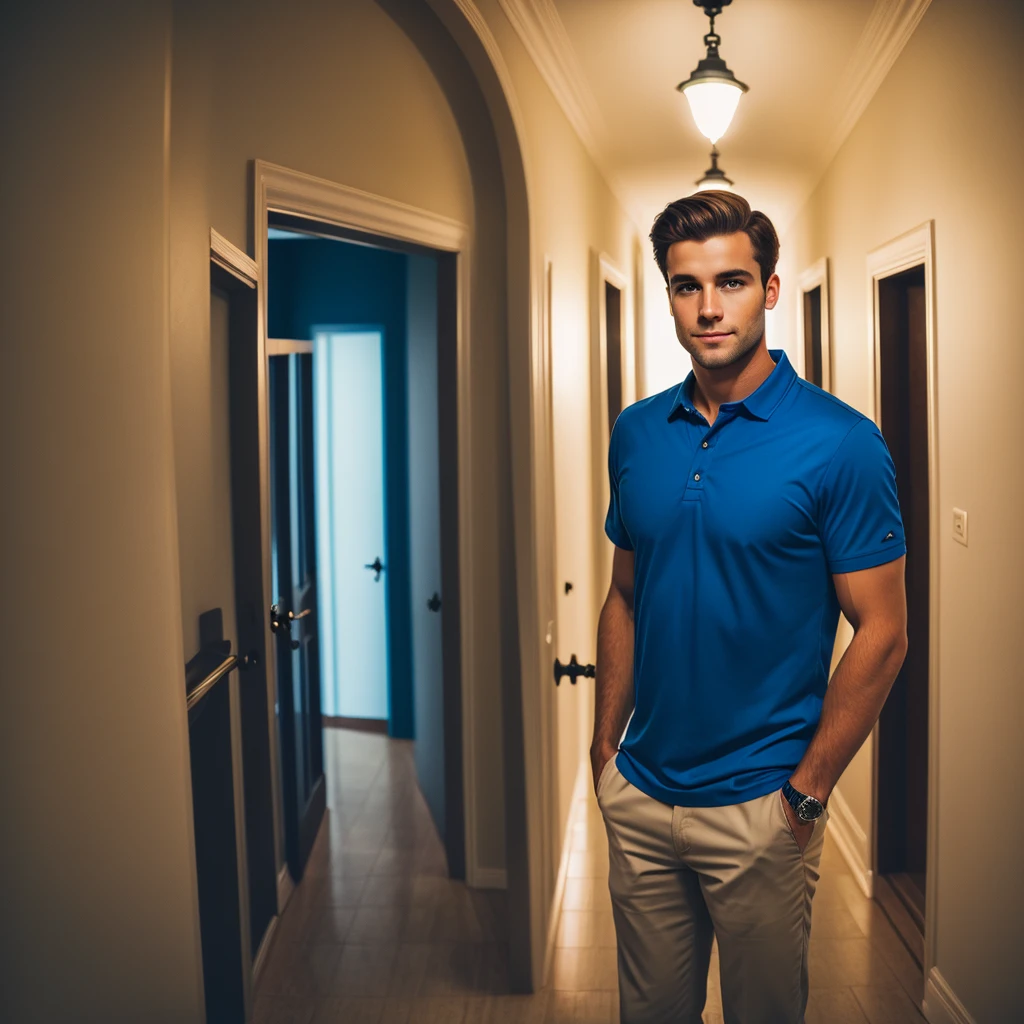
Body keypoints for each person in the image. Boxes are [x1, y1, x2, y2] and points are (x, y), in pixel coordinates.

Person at [591, 190, 908, 1024]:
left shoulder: (841, 443)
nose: (708, 307)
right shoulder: (636, 432)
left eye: (731, 282)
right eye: (686, 286)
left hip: (761, 807)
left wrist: (804, 796)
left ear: (769, 290)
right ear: (667, 294)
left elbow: (883, 634)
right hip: (643, 797)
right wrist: (604, 752)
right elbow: (625, 593)